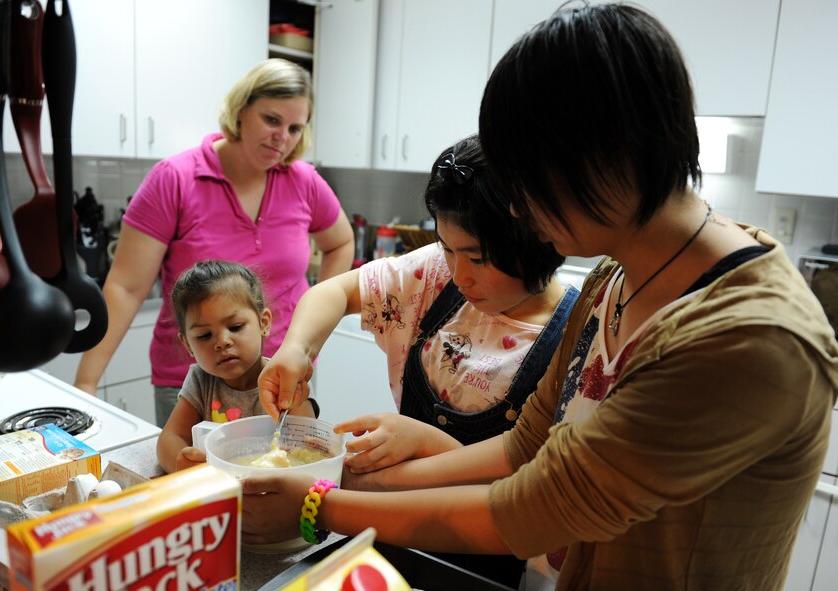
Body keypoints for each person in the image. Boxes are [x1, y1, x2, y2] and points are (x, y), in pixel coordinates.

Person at [239, 4, 838, 591]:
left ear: (602, 155)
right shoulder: (614, 277)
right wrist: (353, 479)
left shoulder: (747, 338)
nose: (519, 210)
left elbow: (536, 508)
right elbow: (530, 443)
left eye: (526, 180)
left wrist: (320, 505)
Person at [258, 134, 576, 587]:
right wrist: (296, 350)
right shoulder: (434, 276)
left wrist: (425, 441)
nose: (460, 273)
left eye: (479, 257)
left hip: (497, 561)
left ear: (541, 242)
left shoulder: (572, 335)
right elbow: (333, 292)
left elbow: (528, 494)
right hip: (396, 534)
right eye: (448, 247)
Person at [74, 58, 354, 427]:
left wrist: (307, 335)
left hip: (284, 374)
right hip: (193, 380)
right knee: (191, 478)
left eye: (295, 128)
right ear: (240, 111)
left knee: (284, 478)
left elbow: (340, 243)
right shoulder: (174, 179)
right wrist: (86, 382)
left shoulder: (303, 181)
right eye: (271, 120)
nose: (282, 138)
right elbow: (125, 287)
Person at [156, 260, 316, 474]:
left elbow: (307, 449)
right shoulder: (200, 381)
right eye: (204, 335)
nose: (222, 341)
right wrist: (185, 463)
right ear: (187, 344)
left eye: (235, 327)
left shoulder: (285, 379)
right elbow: (169, 438)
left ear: (264, 322)